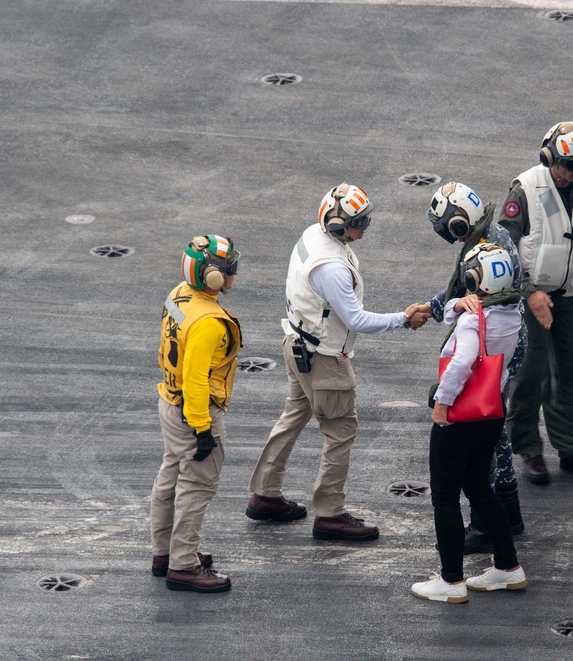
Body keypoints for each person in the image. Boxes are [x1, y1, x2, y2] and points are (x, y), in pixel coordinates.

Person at [245, 183, 430, 541]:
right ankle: (330, 513)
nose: (366, 227)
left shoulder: (312, 236)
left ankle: (265, 494)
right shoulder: (330, 267)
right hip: (325, 359)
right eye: (360, 222)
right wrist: (404, 319)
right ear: (336, 225)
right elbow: (357, 320)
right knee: (340, 431)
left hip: (297, 345)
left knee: (293, 416)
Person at [412, 181, 525, 555]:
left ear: (459, 224)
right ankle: (506, 513)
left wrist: (443, 397)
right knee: (496, 434)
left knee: (484, 434)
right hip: (505, 345)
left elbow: (466, 298)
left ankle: (487, 521)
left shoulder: (480, 249)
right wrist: (433, 306)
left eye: (445, 226)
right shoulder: (491, 237)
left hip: (488, 351)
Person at [498, 120, 573, 484]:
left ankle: (570, 447)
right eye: (569, 166)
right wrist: (529, 293)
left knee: (568, 370)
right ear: (549, 157)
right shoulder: (525, 189)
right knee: (530, 371)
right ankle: (529, 449)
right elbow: (503, 248)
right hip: (532, 297)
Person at [151, 235, 242, 593]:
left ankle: (164, 554)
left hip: (169, 404)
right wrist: (203, 429)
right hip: (194, 412)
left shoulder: (179, 294)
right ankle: (184, 565)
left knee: (170, 478)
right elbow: (196, 379)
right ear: (213, 277)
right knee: (196, 486)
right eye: (229, 268)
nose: (234, 273)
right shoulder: (207, 321)